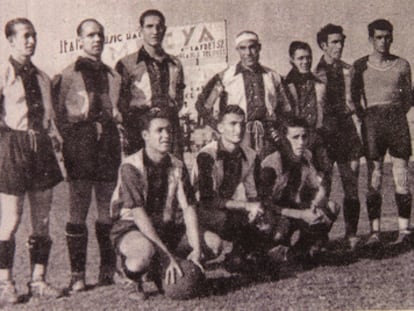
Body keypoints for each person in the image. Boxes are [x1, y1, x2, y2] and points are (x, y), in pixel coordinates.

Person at [53, 19, 122, 292]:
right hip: (80, 141)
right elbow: (58, 115)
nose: (96, 39)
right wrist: (73, 140)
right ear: (79, 39)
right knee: (79, 206)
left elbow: (116, 109)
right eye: (90, 35)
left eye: (100, 35)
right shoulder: (67, 74)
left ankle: (107, 270)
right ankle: (77, 274)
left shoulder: (113, 76)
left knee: (107, 208)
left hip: (108, 140)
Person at [0, 18, 63, 304]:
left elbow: (51, 120)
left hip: (41, 151)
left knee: (43, 220)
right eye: (24, 36)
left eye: (34, 36)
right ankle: (5, 283)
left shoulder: (42, 77)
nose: (31, 41)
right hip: (13, 147)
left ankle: (38, 279)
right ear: (10, 41)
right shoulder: (3, 72)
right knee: (10, 220)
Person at [110, 106, 202, 299]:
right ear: (145, 135)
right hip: (131, 227)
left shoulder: (177, 165)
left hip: (165, 227)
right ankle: (131, 279)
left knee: (212, 244)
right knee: (142, 254)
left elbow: (188, 208)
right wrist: (166, 256)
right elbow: (139, 215)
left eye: (169, 130)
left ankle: (158, 270)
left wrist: (197, 249)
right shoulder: (130, 166)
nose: (166, 135)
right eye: (159, 130)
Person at [352, 19, 413, 245]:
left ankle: (405, 231)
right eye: (378, 37)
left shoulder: (402, 65)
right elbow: (353, 98)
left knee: (401, 177)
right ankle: (375, 232)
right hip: (373, 123)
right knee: (374, 177)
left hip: (396, 121)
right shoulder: (360, 65)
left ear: (392, 38)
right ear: (371, 39)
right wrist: (367, 118)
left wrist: (394, 114)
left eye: (387, 37)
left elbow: (408, 98)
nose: (383, 41)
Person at [191, 105, 265, 272]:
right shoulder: (207, 155)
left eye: (242, 124)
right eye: (232, 124)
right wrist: (246, 207)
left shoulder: (250, 155)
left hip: (223, 209)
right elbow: (207, 200)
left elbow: (252, 194)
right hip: (198, 211)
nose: (238, 130)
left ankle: (238, 255)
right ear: (220, 127)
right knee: (231, 221)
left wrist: (256, 209)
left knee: (261, 221)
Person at [196, 31, 289, 158]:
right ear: (237, 50)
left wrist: (280, 129)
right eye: (243, 48)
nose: (248, 53)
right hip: (237, 136)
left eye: (252, 47)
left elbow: (287, 108)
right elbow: (203, 105)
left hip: (268, 138)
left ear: (259, 48)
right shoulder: (225, 77)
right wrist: (221, 127)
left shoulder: (273, 76)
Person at [260, 116, 340, 264]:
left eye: (304, 137)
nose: (301, 142)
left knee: (331, 207)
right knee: (276, 234)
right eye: (295, 137)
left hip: (293, 208)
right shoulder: (271, 164)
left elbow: (318, 186)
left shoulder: (306, 156)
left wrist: (315, 203)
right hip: (276, 213)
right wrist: (301, 214)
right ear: (284, 139)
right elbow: (264, 204)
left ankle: (302, 249)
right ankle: (268, 250)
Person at [314, 24, 363, 250]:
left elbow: (356, 102)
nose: (339, 45)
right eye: (334, 42)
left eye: (341, 41)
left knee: (351, 184)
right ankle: (319, 237)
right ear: (323, 45)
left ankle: (351, 234)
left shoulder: (349, 69)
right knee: (323, 188)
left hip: (347, 132)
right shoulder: (315, 74)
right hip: (325, 134)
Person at [115, 9, 185, 157]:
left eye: (159, 26)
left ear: (164, 29)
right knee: (141, 173)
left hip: (170, 127)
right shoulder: (126, 64)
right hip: (140, 129)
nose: (155, 31)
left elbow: (179, 98)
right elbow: (121, 103)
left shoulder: (175, 63)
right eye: (149, 26)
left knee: (174, 172)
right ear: (140, 30)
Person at [283, 41, 331, 195]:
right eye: (300, 58)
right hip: (295, 142)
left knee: (322, 183)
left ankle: (320, 217)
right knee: (296, 185)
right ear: (292, 60)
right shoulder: (284, 84)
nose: (305, 62)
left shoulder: (320, 84)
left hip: (317, 140)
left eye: (308, 58)